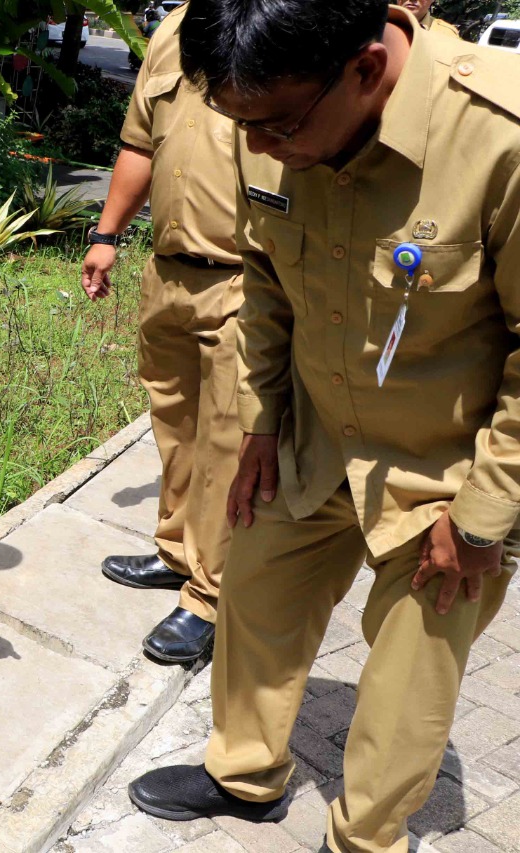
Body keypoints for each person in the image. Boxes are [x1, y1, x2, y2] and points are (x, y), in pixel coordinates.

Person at [126, 2, 519, 851]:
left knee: (408, 676)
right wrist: (262, 424)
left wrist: (487, 515)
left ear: (367, 69)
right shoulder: (261, 109)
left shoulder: (500, 137)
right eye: (241, 123)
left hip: (444, 473)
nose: (258, 144)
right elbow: (263, 279)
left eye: (277, 125)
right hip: (312, 437)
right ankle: (243, 773)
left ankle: (365, 837)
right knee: (257, 596)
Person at [82, 1, 242, 665]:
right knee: (175, 421)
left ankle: (212, 594)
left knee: (231, 439)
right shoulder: (176, 27)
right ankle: (178, 551)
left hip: (248, 276)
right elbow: (140, 142)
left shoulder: (288, 20)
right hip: (169, 269)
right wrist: (107, 234)